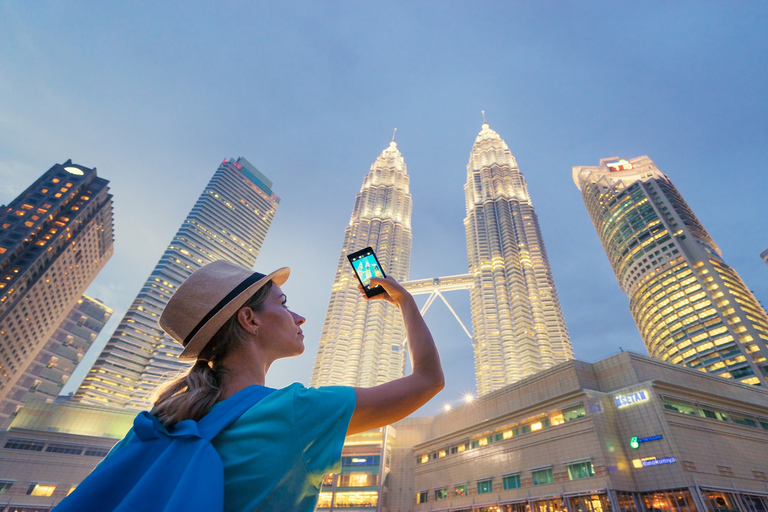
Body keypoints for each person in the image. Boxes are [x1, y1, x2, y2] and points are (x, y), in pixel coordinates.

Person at [129, 259, 443, 511]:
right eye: (284, 304)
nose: (299, 317)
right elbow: (428, 380)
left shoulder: (163, 421)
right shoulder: (294, 411)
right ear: (249, 320)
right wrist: (405, 302)